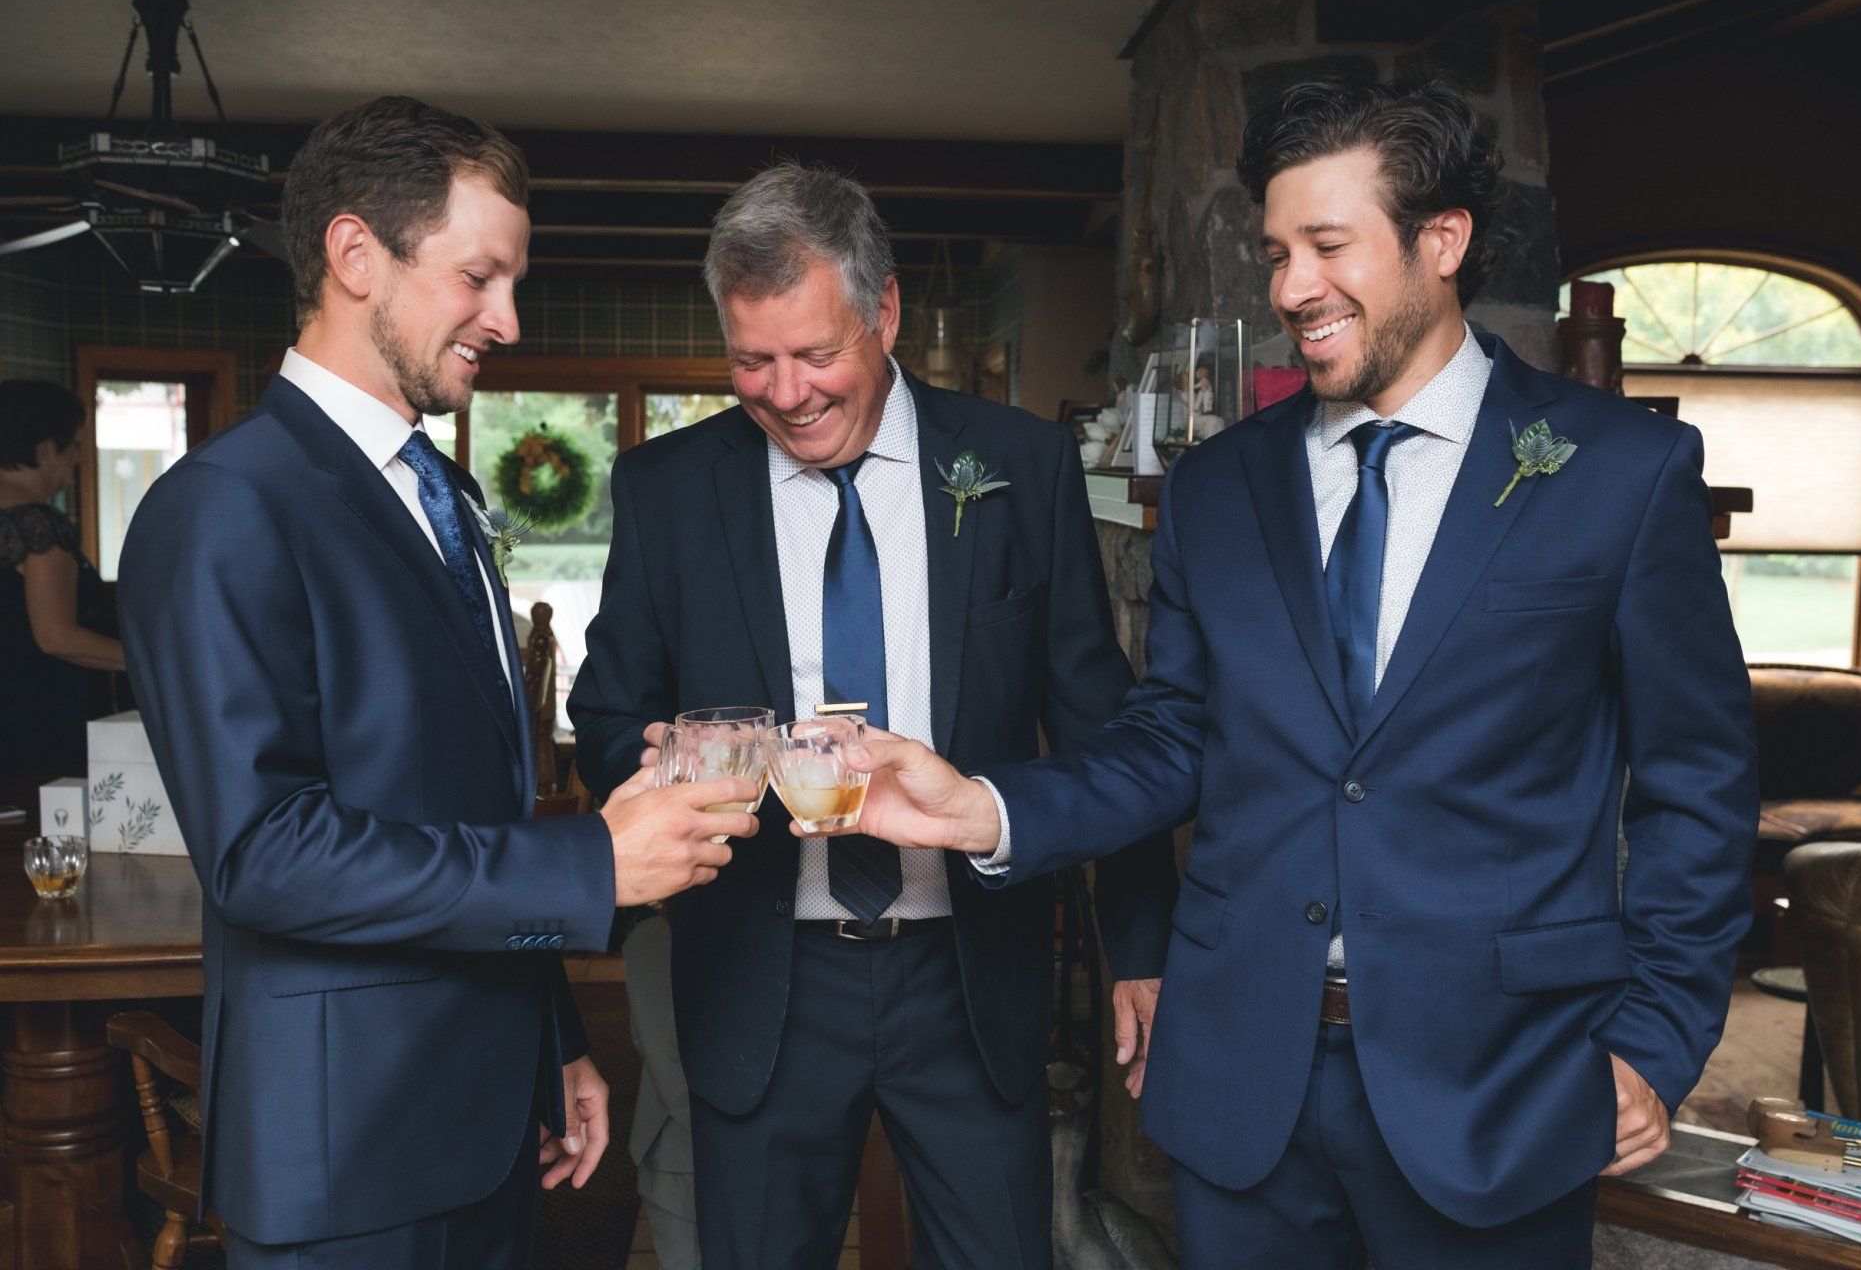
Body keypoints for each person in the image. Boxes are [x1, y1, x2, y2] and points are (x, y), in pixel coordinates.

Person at [831, 77, 1759, 1269]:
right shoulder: (1218, 488)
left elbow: (1699, 781)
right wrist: (988, 805)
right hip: (1241, 1081)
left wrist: (1657, 1033)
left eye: (1327, 245)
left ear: (1443, 241)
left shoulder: (1621, 472)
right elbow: (1171, 738)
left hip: (1505, 1084)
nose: (1289, 289)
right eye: (1277, 252)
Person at [116, 95, 754, 1270]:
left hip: (489, 1120)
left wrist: (553, 1034)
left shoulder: (441, 493)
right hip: (346, 1153)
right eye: (479, 277)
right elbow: (265, 853)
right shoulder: (222, 508)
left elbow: (468, 807)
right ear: (356, 254)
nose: (507, 319)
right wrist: (591, 862)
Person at [568, 163, 1176, 1269]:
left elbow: (1104, 727)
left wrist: (1140, 941)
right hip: (762, 978)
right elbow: (608, 709)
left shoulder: (1019, 468)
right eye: (752, 360)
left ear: (885, 312)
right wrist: (655, 762)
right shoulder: (667, 487)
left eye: (815, 354)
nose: (785, 391)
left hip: (969, 976)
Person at [0, 380, 124, 773]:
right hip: (35, 724)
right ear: (45, 449)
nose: (78, 462)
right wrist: (152, 663)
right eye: (74, 447)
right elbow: (57, 637)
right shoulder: (34, 523)